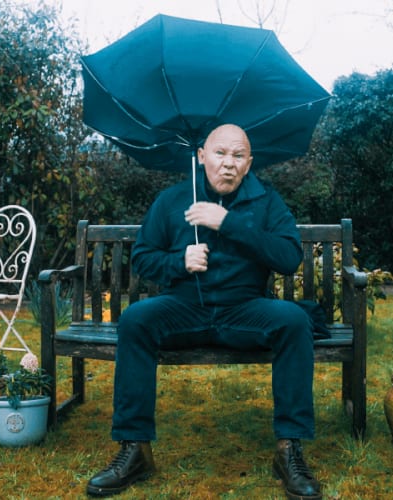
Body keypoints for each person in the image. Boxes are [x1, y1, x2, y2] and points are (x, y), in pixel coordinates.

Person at [86, 124, 322, 499]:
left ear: (249, 163)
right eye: (220, 153)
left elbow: (289, 257)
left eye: (238, 156)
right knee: (135, 319)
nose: (228, 164)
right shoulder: (173, 200)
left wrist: (227, 223)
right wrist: (179, 261)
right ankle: (135, 449)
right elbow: (144, 257)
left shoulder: (266, 201)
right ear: (201, 156)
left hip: (244, 309)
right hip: (184, 308)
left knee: (294, 320)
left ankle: (288, 449)